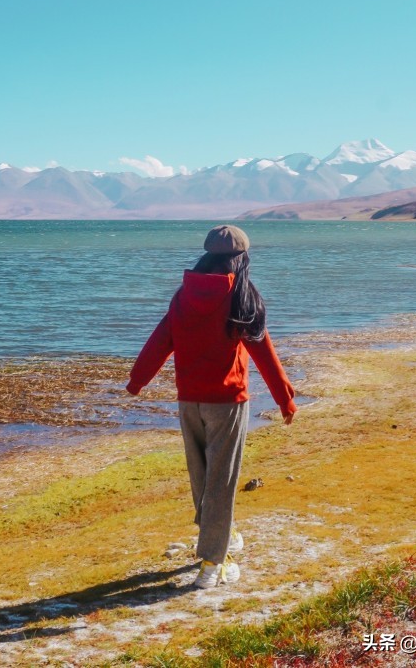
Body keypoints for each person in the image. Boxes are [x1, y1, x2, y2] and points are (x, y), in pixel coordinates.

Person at [125, 224, 297, 589]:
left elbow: (160, 340)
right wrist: (284, 399)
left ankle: (224, 534)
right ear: (242, 258)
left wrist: (137, 380)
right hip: (227, 402)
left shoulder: (183, 295)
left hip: (189, 400)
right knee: (221, 481)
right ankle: (213, 564)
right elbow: (263, 351)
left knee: (202, 477)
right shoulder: (241, 296)